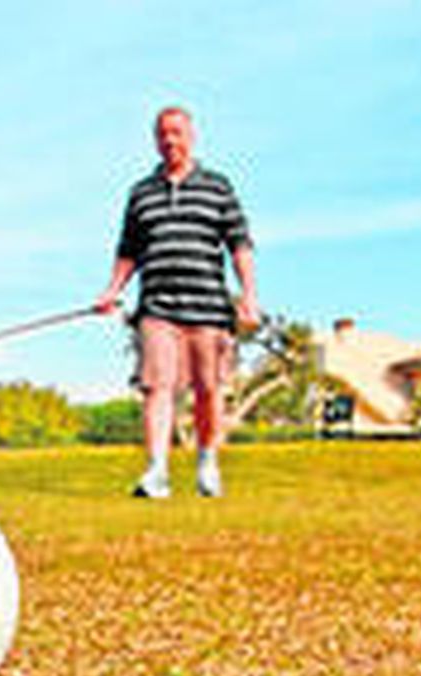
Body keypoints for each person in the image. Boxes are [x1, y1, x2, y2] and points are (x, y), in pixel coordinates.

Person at [95, 106, 259, 498]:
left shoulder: (217, 187)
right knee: (156, 387)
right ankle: (156, 472)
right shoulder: (141, 193)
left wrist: (249, 295)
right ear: (155, 140)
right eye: (163, 134)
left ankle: (207, 463)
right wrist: (112, 290)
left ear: (191, 136)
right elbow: (128, 250)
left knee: (208, 390)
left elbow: (239, 243)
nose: (170, 140)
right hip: (157, 307)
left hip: (208, 308)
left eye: (177, 132)